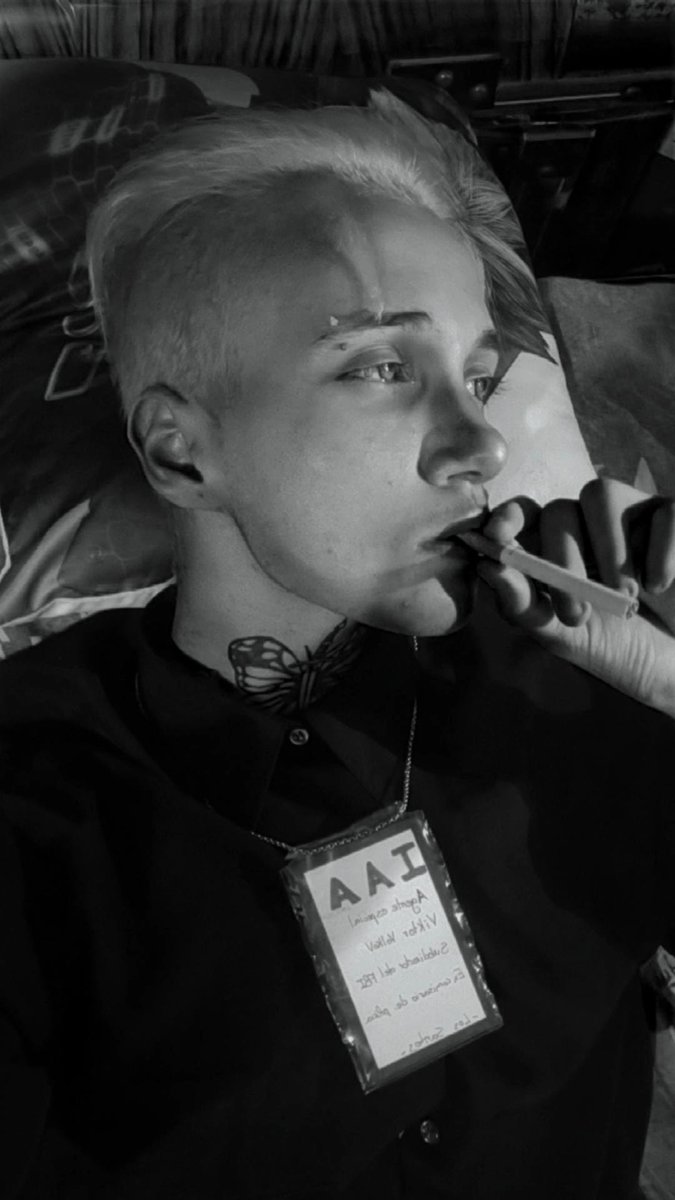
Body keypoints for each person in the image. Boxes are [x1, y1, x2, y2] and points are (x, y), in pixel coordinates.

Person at [1, 89, 674, 1200]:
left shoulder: (585, 672)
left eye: (476, 377)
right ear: (180, 453)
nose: (481, 443)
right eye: (380, 366)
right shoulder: (36, 797)